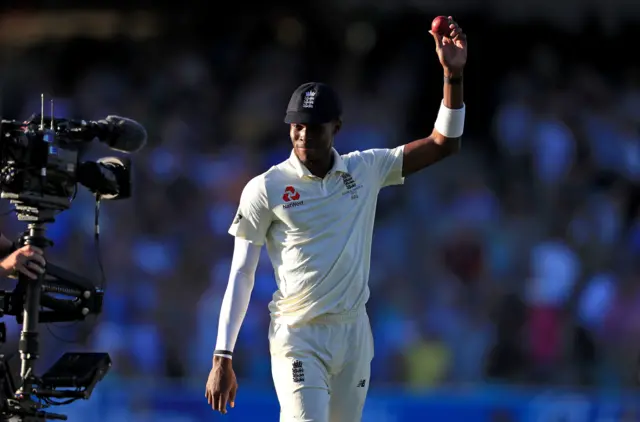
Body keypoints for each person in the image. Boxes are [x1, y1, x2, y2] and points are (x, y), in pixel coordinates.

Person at [205, 16, 467, 422]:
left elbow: (443, 145)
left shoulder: (366, 170)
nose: (304, 137)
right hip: (298, 334)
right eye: (296, 128)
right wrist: (223, 354)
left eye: (314, 129)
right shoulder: (266, 187)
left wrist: (452, 77)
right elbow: (241, 272)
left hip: (353, 334)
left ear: (337, 128)